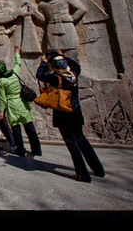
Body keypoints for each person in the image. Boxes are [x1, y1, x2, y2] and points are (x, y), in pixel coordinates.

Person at [36, 50, 105, 183]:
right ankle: (98, 169)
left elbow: (40, 75)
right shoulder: (74, 74)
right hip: (76, 113)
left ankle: (83, 174)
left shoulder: (55, 78)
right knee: (82, 140)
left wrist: (44, 63)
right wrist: (63, 56)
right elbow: (76, 65)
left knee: (72, 145)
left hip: (64, 115)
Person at [0, 46, 42, 157]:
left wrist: (1, 111)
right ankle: (37, 150)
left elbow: (2, 98)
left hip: (12, 104)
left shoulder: (1, 82)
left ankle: (20, 150)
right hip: (22, 103)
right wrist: (17, 52)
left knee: (16, 129)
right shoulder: (14, 73)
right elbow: (18, 64)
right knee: (29, 127)